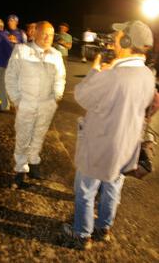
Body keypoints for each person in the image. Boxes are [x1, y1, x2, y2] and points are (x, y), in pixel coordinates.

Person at [63, 20, 156, 250]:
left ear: (126, 41)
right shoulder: (147, 74)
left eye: (118, 35)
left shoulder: (112, 76)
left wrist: (96, 70)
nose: (113, 39)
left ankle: (82, 234)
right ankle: (104, 228)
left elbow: (82, 96)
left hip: (100, 144)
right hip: (127, 146)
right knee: (113, 188)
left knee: (86, 190)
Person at [5, 21, 66, 183]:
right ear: (35, 33)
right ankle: (20, 167)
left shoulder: (56, 55)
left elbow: (60, 78)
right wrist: (16, 100)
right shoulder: (22, 51)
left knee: (39, 135)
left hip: (47, 104)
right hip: (26, 102)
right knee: (23, 136)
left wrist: (56, 97)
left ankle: (33, 161)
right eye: (45, 33)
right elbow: (10, 77)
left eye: (51, 35)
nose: (48, 37)